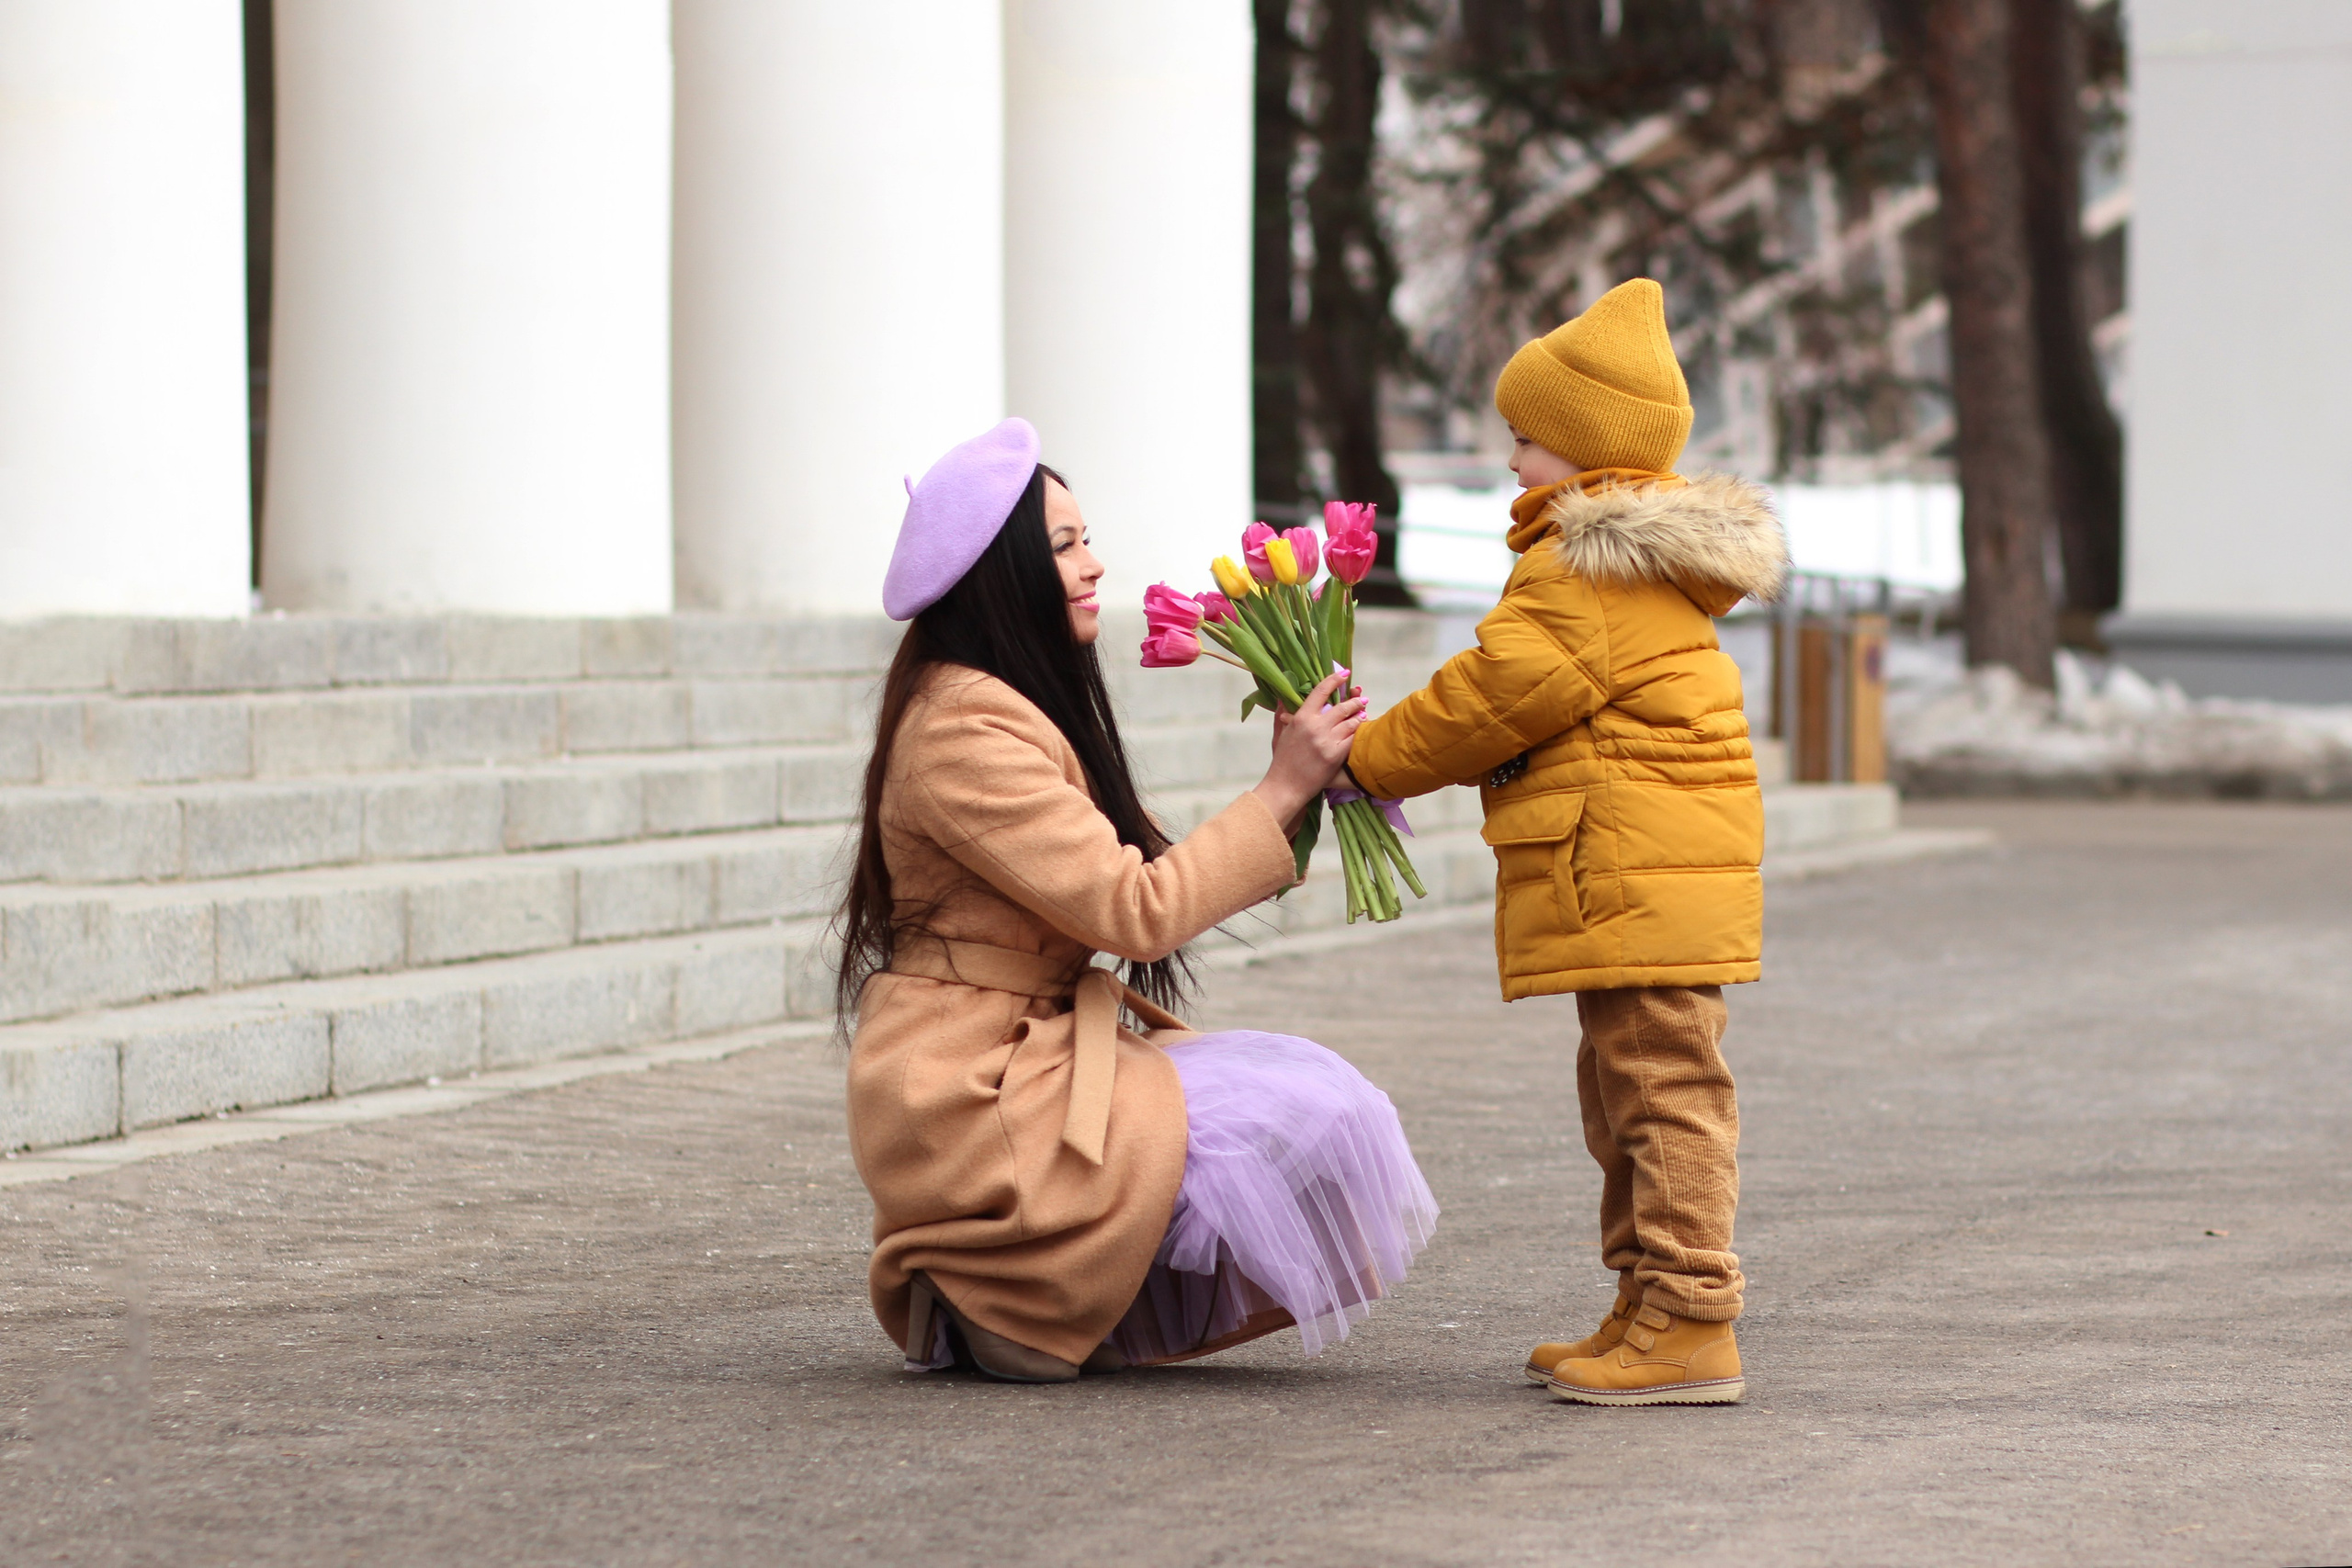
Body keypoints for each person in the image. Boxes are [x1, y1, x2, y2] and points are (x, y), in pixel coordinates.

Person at [839, 417, 1437, 1384]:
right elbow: (1139, 910)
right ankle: (996, 1289)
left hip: (1022, 1051)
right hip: (968, 1086)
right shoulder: (963, 730)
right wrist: (1281, 788)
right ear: (1002, 575)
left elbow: (1151, 874)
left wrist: (1293, 786)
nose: (1094, 566)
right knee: (1295, 1107)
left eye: (1086, 540)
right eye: (1065, 546)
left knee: (1309, 1110)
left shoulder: (1005, 705)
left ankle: (1028, 1295)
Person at [1341, 279, 1788, 1406]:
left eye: (1526, 439)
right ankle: (1646, 1300)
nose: (1510, 462)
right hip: (1638, 870)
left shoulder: (1587, 568)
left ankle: (1691, 1318)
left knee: (1661, 1090)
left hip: (1634, 872)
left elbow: (1490, 697)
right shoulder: (1613, 563)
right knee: (1625, 1091)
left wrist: (1362, 761)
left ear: (1590, 450)